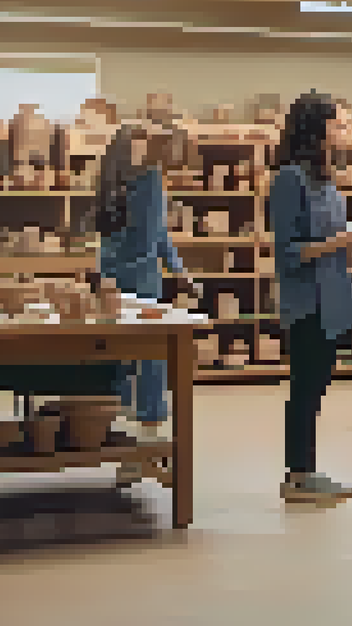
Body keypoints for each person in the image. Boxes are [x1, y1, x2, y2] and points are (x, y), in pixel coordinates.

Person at [270, 92, 352, 504]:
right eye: (340, 124)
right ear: (316, 131)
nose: (347, 132)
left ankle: (305, 471)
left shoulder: (324, 178)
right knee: (305, 388)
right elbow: (288, 252)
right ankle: (298, 476)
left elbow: (326, 240)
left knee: (316, 386)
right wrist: (342, 239)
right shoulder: (290, 178)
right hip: (307, 300)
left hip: (332, 297)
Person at [89, 117, 198, 486]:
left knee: (132, 362)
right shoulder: (139, 183)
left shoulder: (127, 181)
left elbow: (159, 235)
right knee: (141, 362)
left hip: (123, 283)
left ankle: (131, 450)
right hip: (131, 285)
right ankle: (136, 453)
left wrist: (180, 271)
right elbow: (141, 239)